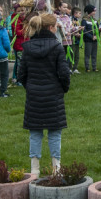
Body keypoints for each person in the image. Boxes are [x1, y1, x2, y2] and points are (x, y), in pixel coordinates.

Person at [18, 12, 71, 178]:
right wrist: (62, 88)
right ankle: (56, 168)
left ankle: (34, 169)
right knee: (54, 132)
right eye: (56, 25)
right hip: (53, 95)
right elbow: (64, 73)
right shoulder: (56, 47)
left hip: (34, 95)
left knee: (35, 133)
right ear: (50, 28)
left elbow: (21, 75)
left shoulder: (27, 48)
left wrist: (31, 87)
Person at [82, 4, 99, 72]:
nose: (94, 13)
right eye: (93, 11)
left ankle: (94, 67)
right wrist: (91, 37)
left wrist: (97, 36)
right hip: (88, 40)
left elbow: (97, 29)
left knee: (94, 54)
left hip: (95, 40)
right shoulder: (84, 20)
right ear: (89, 11)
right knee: (87, 54)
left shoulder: (95, 20)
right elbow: (84, 30)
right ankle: (87, 67)